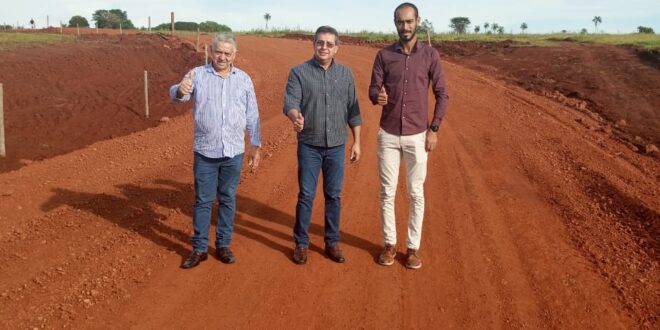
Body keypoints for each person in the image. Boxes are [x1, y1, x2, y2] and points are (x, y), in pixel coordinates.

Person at [170, 32, 261, 269]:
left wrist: (256, 145)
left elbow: (252, 115)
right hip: (205, 151)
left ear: (234, 55)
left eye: (227, 53)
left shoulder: (243, 79)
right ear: (211, 51)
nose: (222, 57)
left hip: (234, 151)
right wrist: (180, 89)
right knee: (203, 200)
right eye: (218, 52)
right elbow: (179, 96)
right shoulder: (197, 75)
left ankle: (223, 244)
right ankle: (199, 248)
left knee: (228, 198)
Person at [368, 2, 449, 269]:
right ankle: (390, 245)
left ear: (418, 21)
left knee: (416, 194)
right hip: (388, 134)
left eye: (409, 21)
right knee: (387, 193)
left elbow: (442, 94)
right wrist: (376, 96)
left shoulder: (430, 55)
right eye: (400, 22)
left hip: (417, 135)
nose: (405, 26)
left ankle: (412, 248)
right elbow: (372, 89)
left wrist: (434, 128)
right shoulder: (383, 55)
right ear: (395, 23)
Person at [284, 26, 362, 265]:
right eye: (320, 43)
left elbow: (354, 110)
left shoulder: (346, 74)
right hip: (309, 145)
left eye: (329, 44)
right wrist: (295, 117)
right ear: (314, 44)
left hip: (337, 145)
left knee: (334, 195)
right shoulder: (299, 72)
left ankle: (332, 242)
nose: (324, 47)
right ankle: (301, 243)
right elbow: (290, 103)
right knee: (306, 194)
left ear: (336, 47)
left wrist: (357, 141)